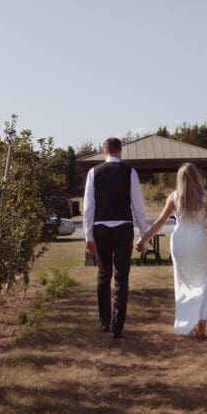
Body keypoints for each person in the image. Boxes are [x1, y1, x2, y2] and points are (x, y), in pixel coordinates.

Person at [136, 162, 207, 338]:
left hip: (179, 242)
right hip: (198, 241)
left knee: (184, 284)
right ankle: (201, 323)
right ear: (196, 177)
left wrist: (143, 239)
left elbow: (160, 222)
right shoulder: (206, 198)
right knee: (203, 281)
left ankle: (190, 320)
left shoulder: (174, 197)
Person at [83, 137, 150, 339]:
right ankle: (117, 326)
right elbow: (138, 206)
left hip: (101, 228)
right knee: (122, 277)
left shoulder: (93, 172)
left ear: (104, 152)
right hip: (123, 228)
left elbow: (89, 207)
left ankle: (104, 322)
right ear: (120, 151)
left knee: (104, 276)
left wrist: (88, 236)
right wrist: (143, 235)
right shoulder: (130, 172)